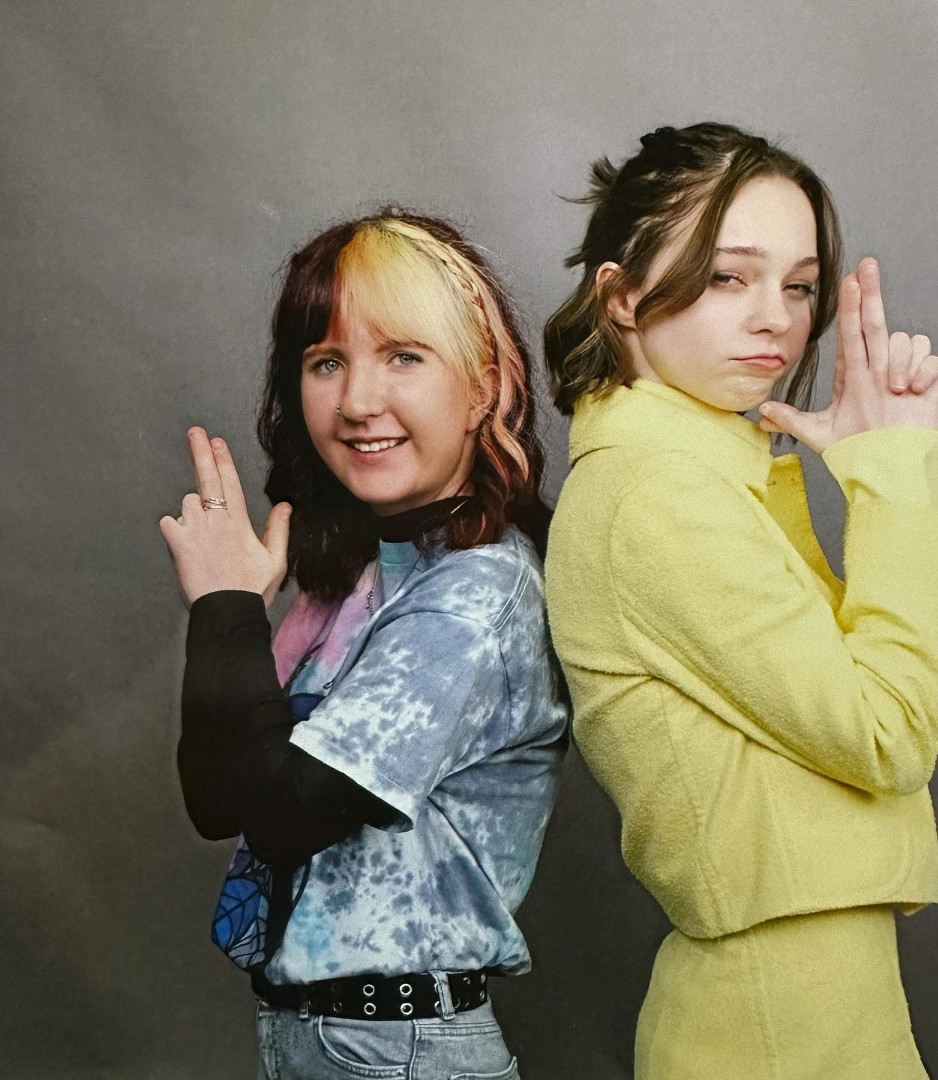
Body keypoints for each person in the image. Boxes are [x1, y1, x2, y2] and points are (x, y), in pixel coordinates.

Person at [543, 122, 938, 1079]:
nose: (777, 320)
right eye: (727, 277)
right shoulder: (656, 497)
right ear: (621, 296)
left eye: (798, 286)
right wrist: (889, 477)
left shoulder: (706, 478)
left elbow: (924, 688)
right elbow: (890, 734)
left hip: (818, 1003)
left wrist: (911, 463)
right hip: (775, 1021)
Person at [159, 209, 568, 1080]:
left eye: (404, 357)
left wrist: (229, 605)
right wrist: (226, 609)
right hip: (323, 1041)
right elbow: (217, 798)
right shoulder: (357, 583)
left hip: (399, 1050)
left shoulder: (476, 594)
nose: (356, 402)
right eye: (326, 361)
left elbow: (283, 815)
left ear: (485, 389)